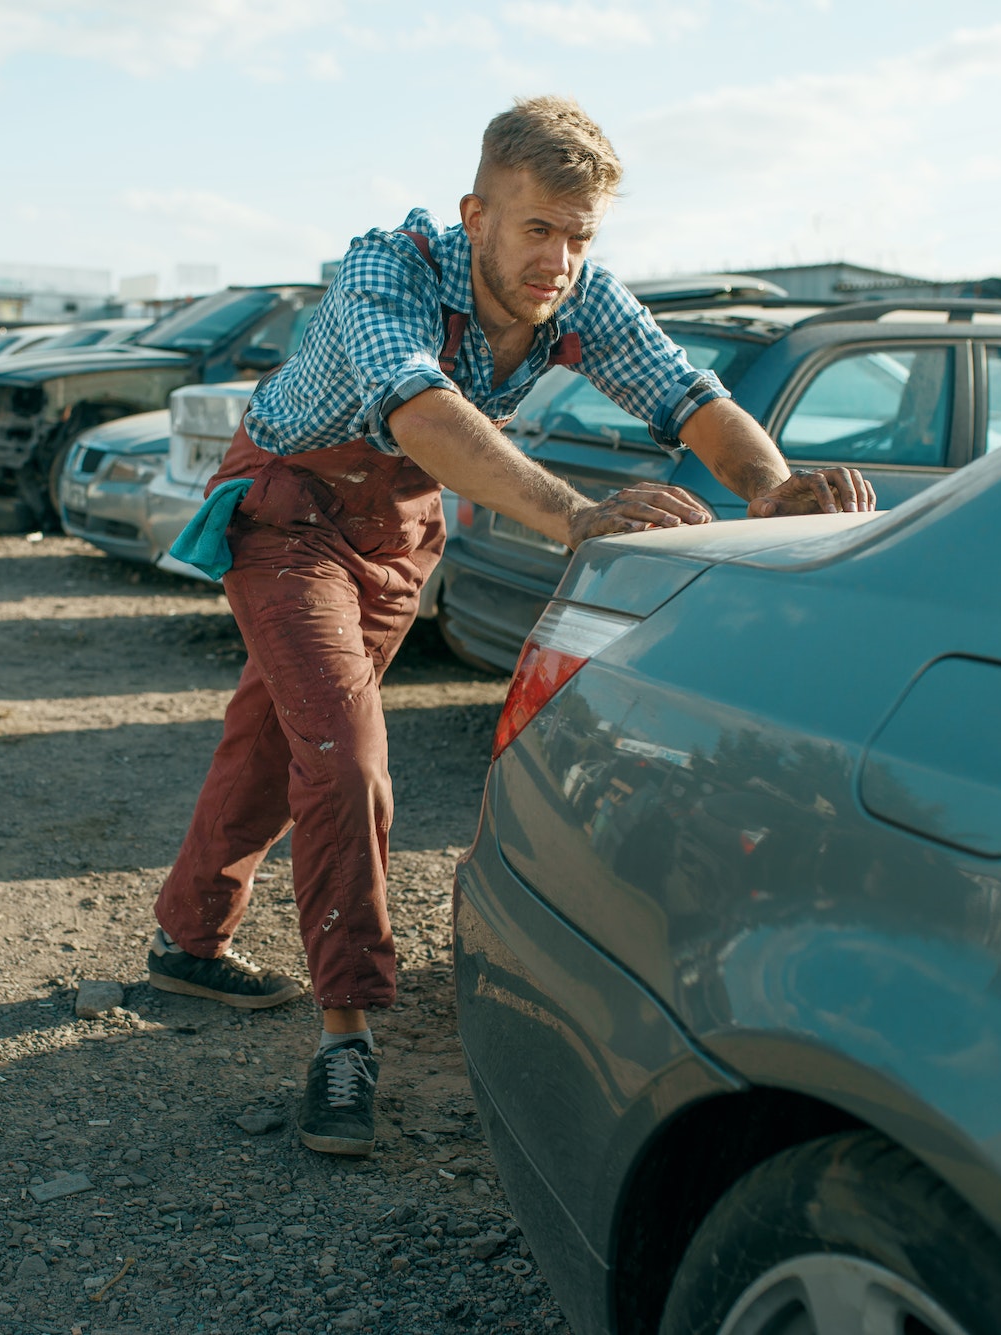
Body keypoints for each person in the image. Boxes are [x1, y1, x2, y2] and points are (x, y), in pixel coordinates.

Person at [148, 95, 874, 1157]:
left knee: (278, 734)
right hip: (289, 515)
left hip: (396, 533)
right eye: (537, 230)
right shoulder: (382, 272)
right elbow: (420, 410)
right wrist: (576, 516)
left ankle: (186, 938)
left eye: (580, 237)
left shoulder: (582, 295)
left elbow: (684, 395)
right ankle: (346, 1033)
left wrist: (769, 489)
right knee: (342, 757)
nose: (559, 261)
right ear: (475, 212)